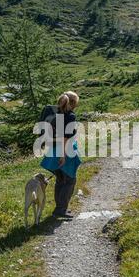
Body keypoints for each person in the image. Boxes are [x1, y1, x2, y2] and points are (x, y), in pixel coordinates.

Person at [41, 91, 82, 219]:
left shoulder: (57, 114)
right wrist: (63, 155)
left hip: (53, 150)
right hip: (64, 151)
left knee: (60, 180)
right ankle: (60, 209)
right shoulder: (70, 116)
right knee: (70, 180)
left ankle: (59, 209)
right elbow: (64, 137)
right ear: (73, 103)